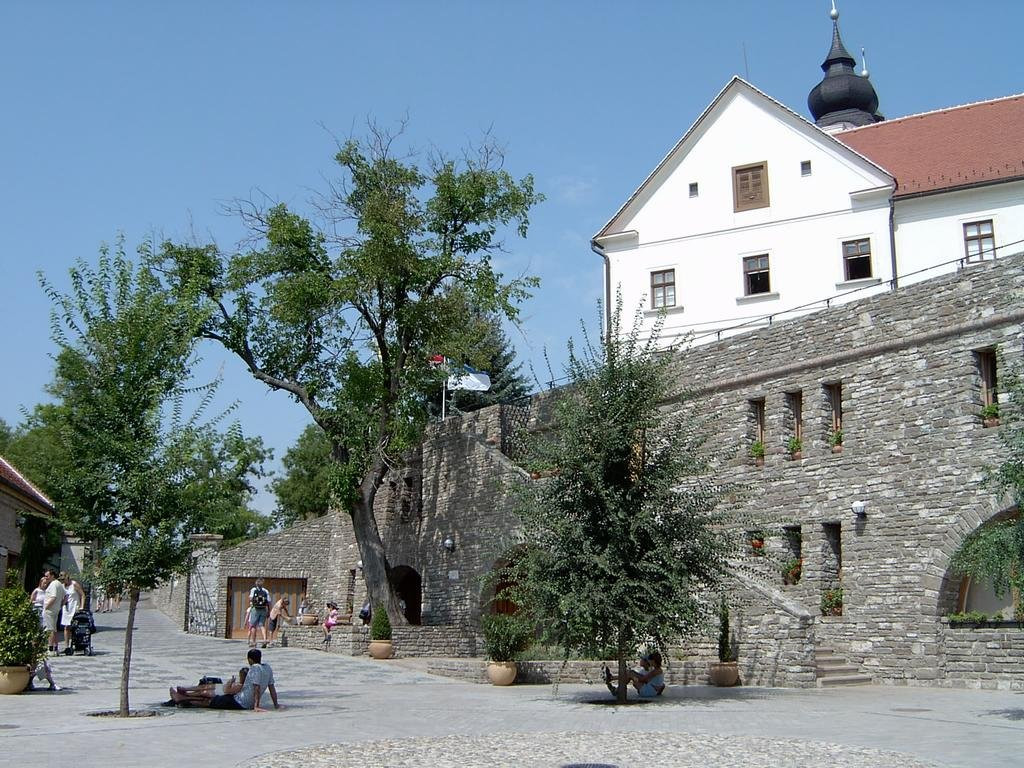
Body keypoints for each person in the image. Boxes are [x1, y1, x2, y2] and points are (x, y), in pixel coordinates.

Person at [169, 667, 248, 706]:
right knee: (204, 687)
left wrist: (230, 682)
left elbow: (227, 691)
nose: (240, 676)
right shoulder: (240, 683)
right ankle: (185, 690)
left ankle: (184, 695)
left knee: (202, 693)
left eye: (241, 675)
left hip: (221, 692)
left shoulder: (240, 686)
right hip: (221, 688)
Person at [41, 570, 66, 654]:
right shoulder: (59, 584)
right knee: (54, 629)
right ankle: (55, 648)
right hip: (55, 609)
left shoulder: (53, 584)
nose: (45, 578)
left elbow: (53, 597)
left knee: (50, 629)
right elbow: (65, 596)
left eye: (47, 576)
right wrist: (60, 606)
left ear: (52, 576)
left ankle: (50, 649)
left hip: (50, 610)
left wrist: (46, 607)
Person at [60, 573, 86, 654]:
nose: (63, 581)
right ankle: (67, 646)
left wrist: (81, 606)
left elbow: (82, 595)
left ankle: (76, 644)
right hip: (66, 609)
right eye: (61, 580)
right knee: (66, 627)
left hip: (74, 608)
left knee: (74, 627)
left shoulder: (74, 584)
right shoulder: (62, 586)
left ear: (67, 578)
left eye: (63, 579)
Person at [247, 578, 271, 649]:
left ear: (256, 583)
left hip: (255, 609)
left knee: (253, 626)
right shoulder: (265, 591)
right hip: (263, 609)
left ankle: (254, 642)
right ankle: (264, 639)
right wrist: (268, 610)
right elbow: (269, 602)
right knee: (262, 625)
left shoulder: (253, 590)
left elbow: (251, 598)